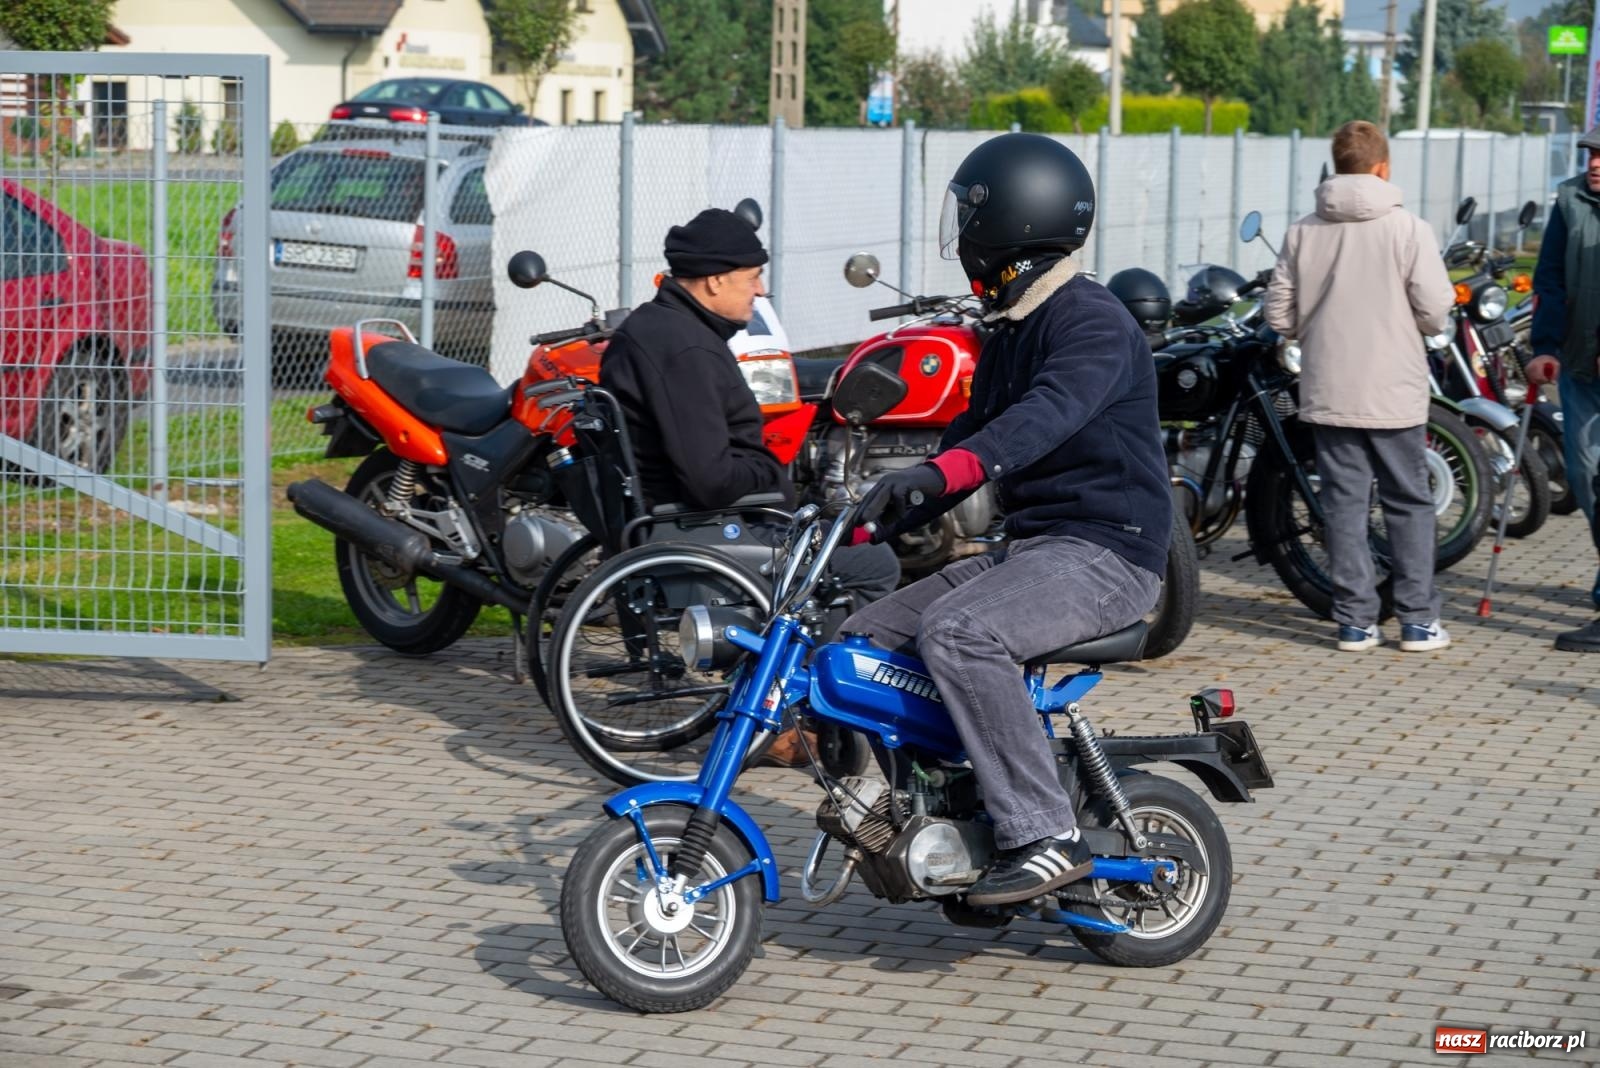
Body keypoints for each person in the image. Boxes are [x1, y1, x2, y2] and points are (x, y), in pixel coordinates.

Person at [842, 133, 1172, 907]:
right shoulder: (1014, 330)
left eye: (968, 214)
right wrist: (869, 516)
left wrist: (955, 469)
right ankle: (932, 819)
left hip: (1107, 556)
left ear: (1011, 222)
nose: (959, 233)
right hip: (1036, 551)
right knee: (860, 643)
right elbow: (969, 438)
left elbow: (1045, 417)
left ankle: (1043, 834)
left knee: (961, 632)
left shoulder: (1091, 321)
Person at [600, 207, 900, 762]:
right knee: (871, 566)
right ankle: (805, 717)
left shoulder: (660, 326)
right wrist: (773, 476)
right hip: (702, 528)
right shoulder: (685, 349)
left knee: (840, 542)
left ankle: (798, 703)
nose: (761, 291)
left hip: (686, 516)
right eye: (751, 278)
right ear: (714, 280)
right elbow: (709, 477)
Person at [1264, 120, 1455, 653]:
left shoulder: (1303, 230)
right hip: (1395, 389)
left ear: (1337, 164)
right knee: (1409, 502)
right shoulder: (1409, 229)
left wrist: (1312, 327)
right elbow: (1437, 309)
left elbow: (1277, 312)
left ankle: (1355, 622)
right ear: (1383, 167)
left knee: (1344, 505)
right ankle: (1417, 620)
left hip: (1330, 388)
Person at [1525, 126, 1600, 654]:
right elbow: (1549, 277)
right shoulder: (1569, 200)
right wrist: (1543, 346)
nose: (1594, 163)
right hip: (1578, 368)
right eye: (1591, 154)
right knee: (1586, 476)